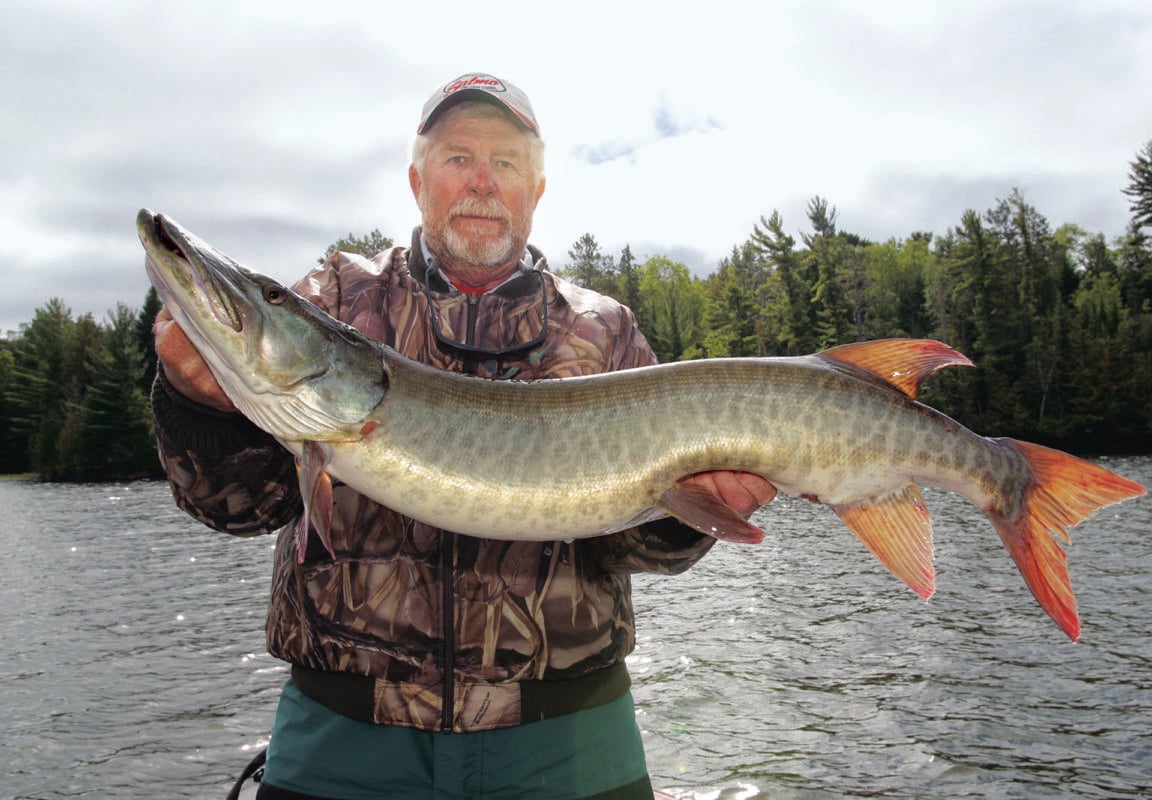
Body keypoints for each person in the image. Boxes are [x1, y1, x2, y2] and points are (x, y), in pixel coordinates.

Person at [151, 72, 776, 800]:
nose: (482, 181)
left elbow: (626, 543)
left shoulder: (605, 331)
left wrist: (693, 512)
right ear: (417, 181)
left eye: (506, 162)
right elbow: (235, 508)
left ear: (536, 191)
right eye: (457, 158)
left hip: (567, 738)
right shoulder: (336, 300)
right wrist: (199, 403)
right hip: (345, 737)